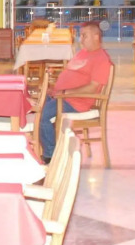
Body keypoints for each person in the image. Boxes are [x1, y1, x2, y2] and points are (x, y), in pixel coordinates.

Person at [37, 21, 112, 163]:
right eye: (80, 35)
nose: (80, 39)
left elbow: (93, 87)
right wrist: (55, 88)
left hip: (76, 102)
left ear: (96, 36)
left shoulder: (101, 59)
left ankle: (50, 155)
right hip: (63, 96)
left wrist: (66, 92)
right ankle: (44, 145)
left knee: (42, 115)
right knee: (35, 105)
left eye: (84, 36)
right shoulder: (83, 53)